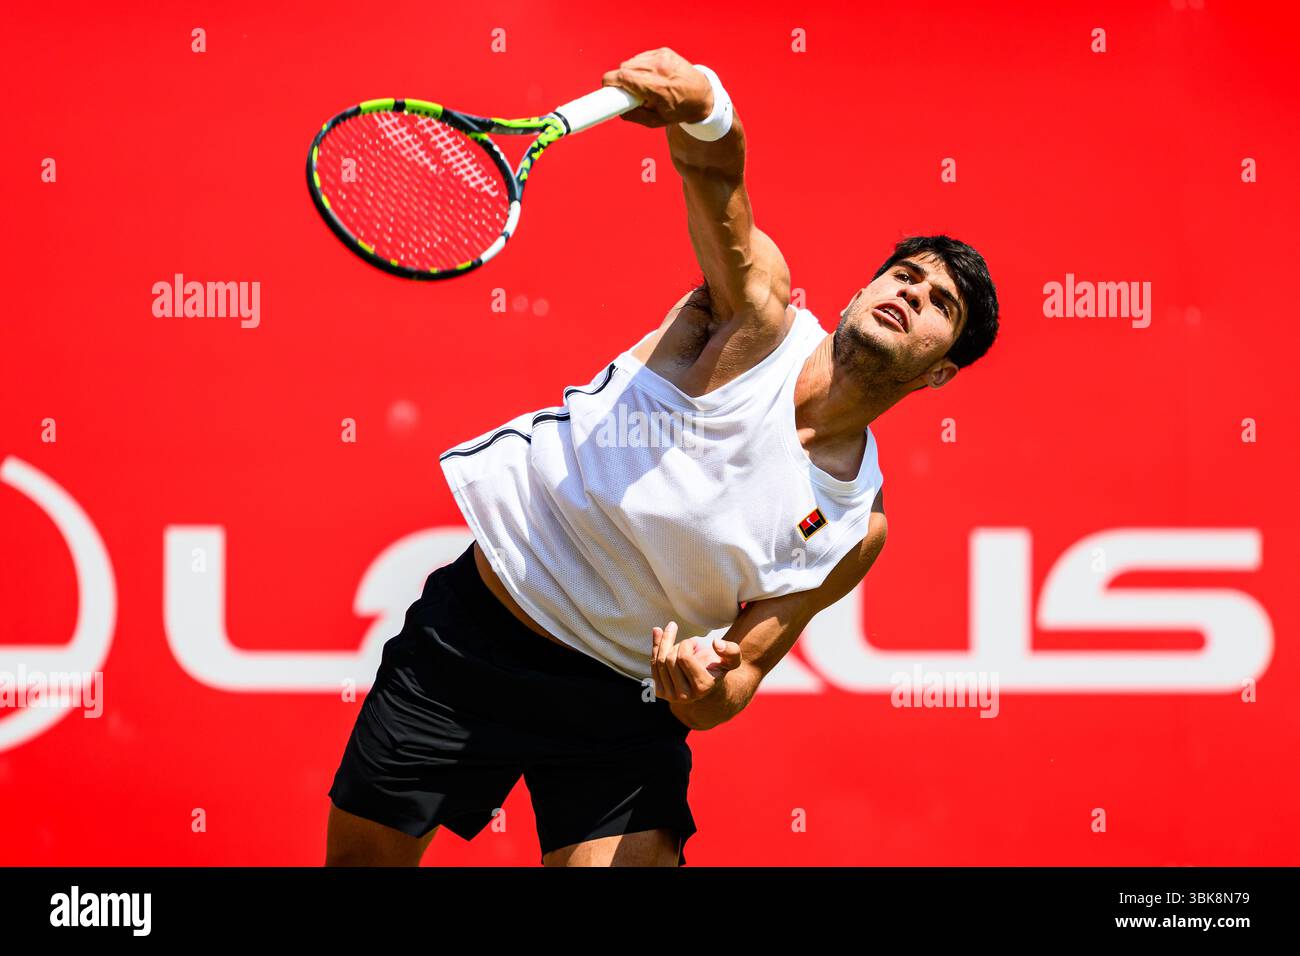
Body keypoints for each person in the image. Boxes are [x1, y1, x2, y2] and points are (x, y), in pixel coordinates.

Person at [326, 47, 999, 867]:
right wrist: (706, 103)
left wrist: (701, 684)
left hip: (622, 703)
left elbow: (739, 681)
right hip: (484, 632)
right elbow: (719, 188)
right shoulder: (756, 320)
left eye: (939, 305)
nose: (910, 295)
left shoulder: (858, 527)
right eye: (902, 276)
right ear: (859, 293)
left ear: (939, 372)